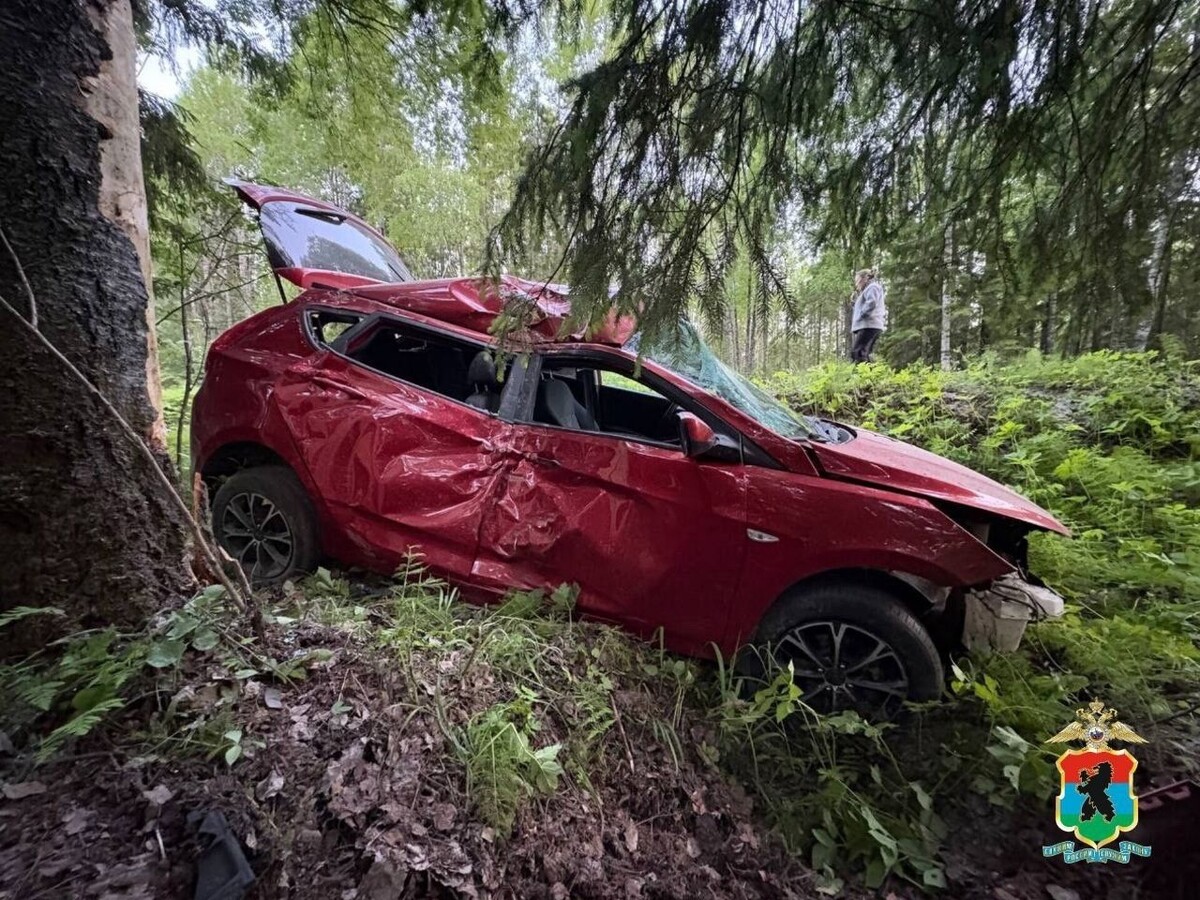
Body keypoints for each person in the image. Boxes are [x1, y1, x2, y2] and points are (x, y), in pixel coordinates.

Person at [849, 268, 887, 363]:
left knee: (858, 352)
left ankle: (864, 376)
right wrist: (855, 304)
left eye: (857, 281)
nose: (856, 284)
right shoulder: (867, 290)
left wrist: (862, 314)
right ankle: (871, 375)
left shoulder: (873, 287)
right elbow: (867, 303)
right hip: (868, 325)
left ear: (865, 278)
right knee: (863, 353)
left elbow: (872, 302)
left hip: (869, 325)